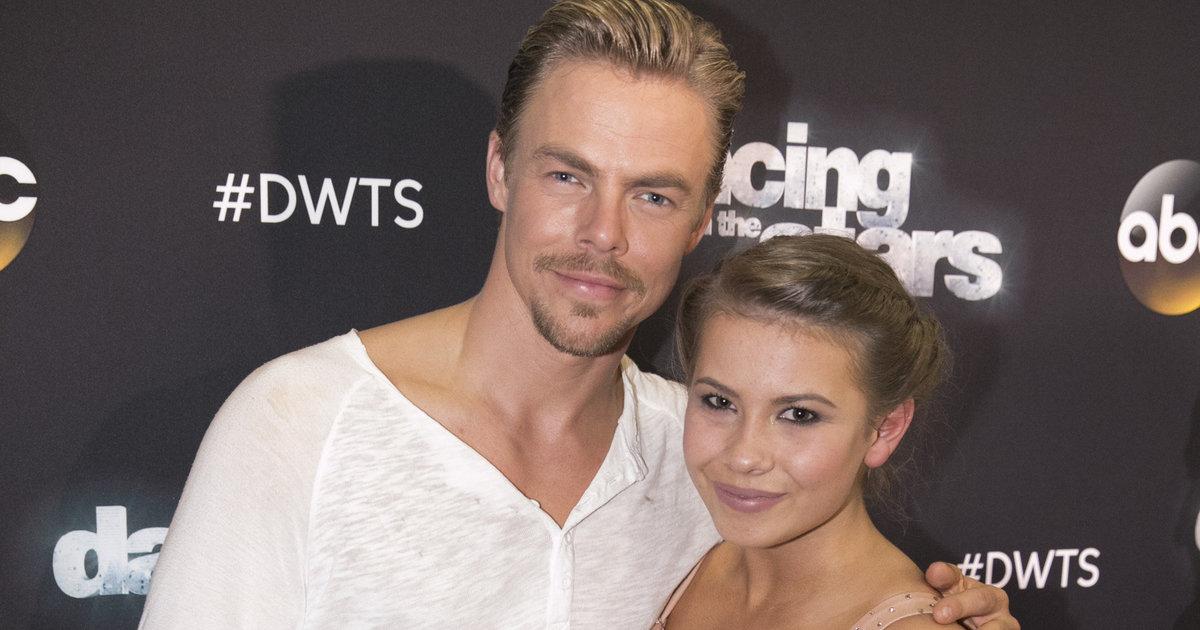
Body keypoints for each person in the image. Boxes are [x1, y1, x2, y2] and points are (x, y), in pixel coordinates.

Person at [140, 1, 1018, 628]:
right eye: (568, 176)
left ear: (702, 220)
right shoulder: (299, 424)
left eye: (654, 195)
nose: (603, 234)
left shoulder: (706, 459)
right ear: (499, 169)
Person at [654, 233, 972, 629]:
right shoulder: (676, 554)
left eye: (799, 415)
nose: (743, 456)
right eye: (719, 402)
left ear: (884, 429)